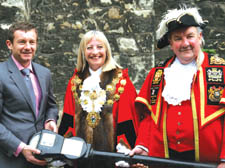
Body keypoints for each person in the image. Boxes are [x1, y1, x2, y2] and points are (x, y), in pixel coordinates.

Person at [129, 5, 225, 168]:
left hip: (209, 163)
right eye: (178, 38)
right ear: (170, 43)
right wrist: (143, 145)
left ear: (200, 36)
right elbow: (149, 116)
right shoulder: (158, 73)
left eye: (190, 36)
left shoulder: (221, 69)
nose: (185, 43)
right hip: (166, 158)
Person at [58, 30, 139, 168]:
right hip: (80, 156)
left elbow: (128, 119)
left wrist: (124, 150)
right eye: (89, 47)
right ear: (83, 52)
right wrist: (63, 149)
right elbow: (68, 117)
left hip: (112, 157)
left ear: (106, 50)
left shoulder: (121, 81)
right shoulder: (75, 81)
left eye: (100, 47)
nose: (95, 52)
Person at [0, 21, 58, 168]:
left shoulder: (44, 73)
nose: (28, 47)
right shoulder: (1, 74)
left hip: (41, 156)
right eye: (22, 42)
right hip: (11, 159)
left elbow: (51, 105)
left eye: (32, 42)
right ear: (9, 44)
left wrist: (50, 120)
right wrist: (20, 148)